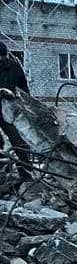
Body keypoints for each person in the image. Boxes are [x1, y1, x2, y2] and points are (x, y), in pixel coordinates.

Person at [0, 43, 32, 179]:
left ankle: (26, 174)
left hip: (9, 111)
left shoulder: (14, 67)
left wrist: (27, 108)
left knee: (19, 142)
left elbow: (24, 90)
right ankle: (3, 173)